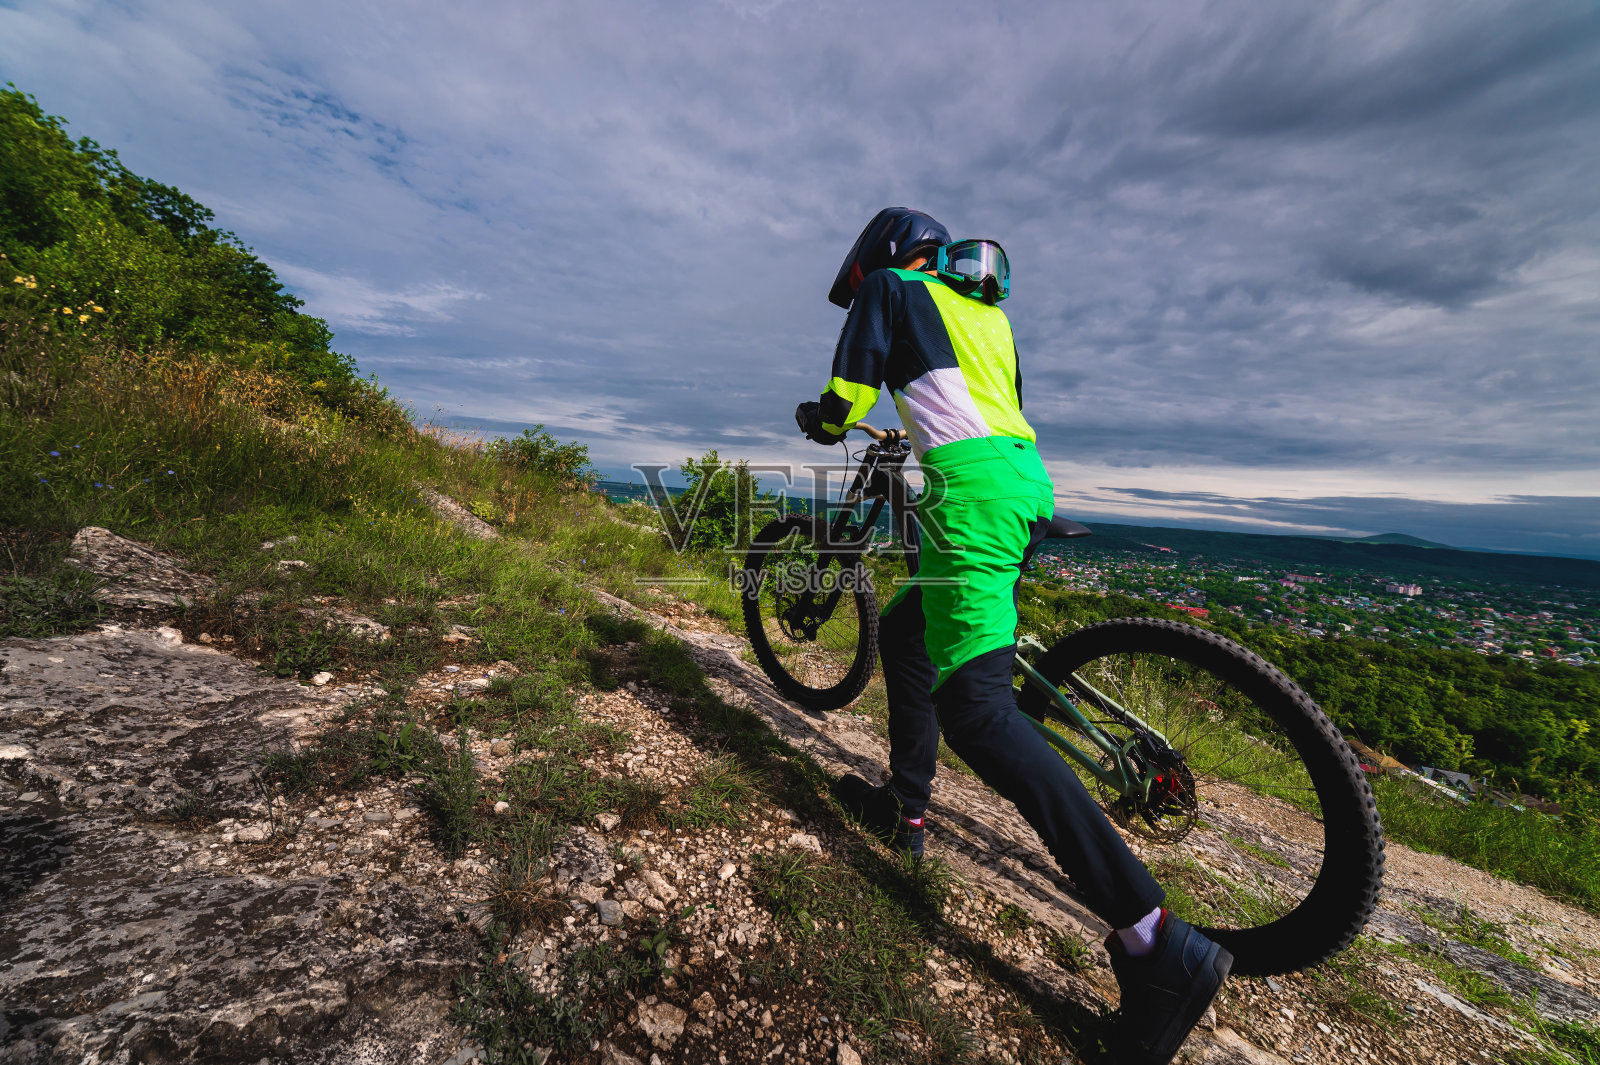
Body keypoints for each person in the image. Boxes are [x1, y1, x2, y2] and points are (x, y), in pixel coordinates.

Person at [794, 208, 1231, 1065]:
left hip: (974, 497)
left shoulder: (890, 288)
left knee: (981, 713)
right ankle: (906, 807)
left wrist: (823, 418)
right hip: (1024, 483)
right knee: (911, 632)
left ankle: (1155, 939)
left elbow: (847, 397)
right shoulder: (985, 311)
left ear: (877, 254)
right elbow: (993, 406)